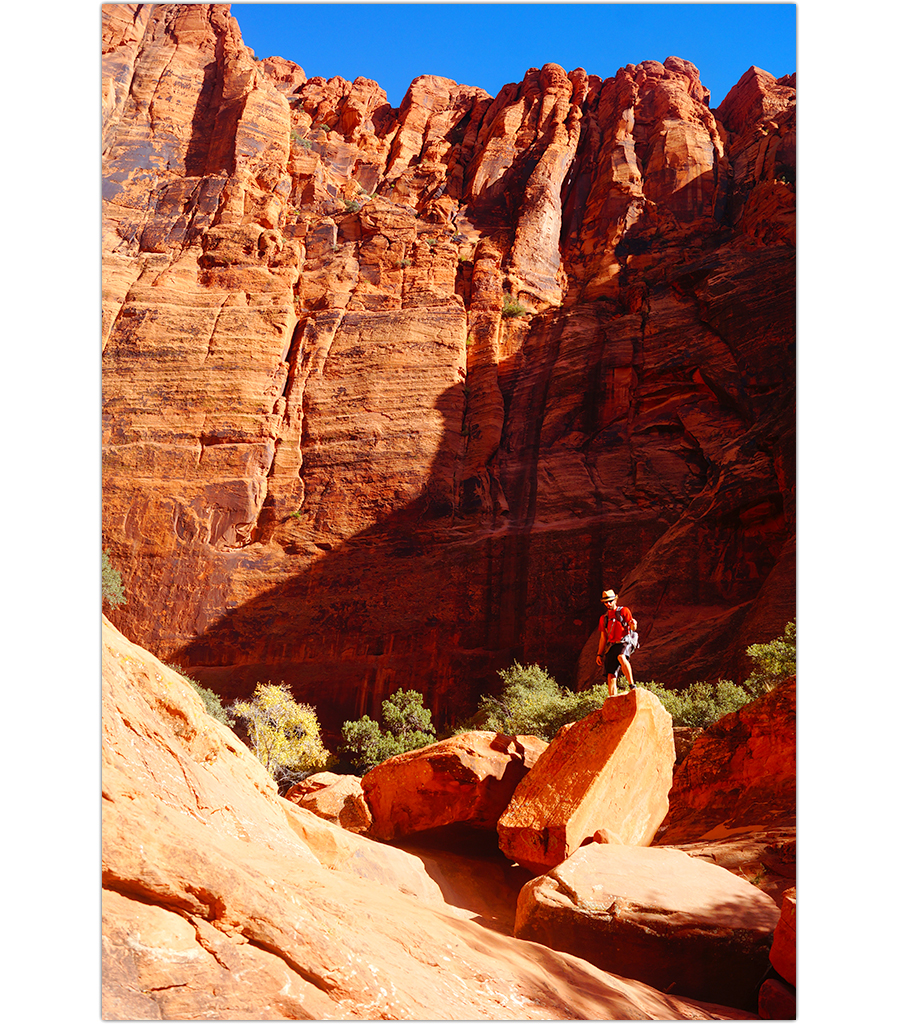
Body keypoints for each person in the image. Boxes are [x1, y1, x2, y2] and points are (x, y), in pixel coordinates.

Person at [595, 589, 638, 695]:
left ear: (615, 600)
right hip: (612, 645)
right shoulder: (604, 618)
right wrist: (599, 654)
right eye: (605, 602)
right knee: (610, 674)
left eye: (610, 601)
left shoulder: (623, 611)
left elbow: (632, 626)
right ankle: (612, 697)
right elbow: (603, 637)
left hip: (624, 641)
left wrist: (634, 624)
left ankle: (632, 685)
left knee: (621, 657)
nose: (608, 603)